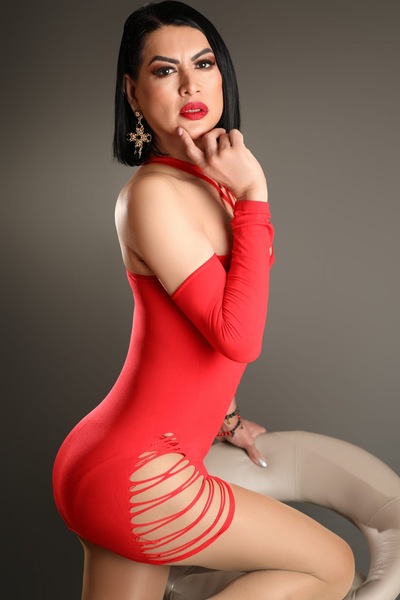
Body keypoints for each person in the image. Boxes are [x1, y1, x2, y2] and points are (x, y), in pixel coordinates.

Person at [52, 2, 355, 599]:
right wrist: (256, 193)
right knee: (332, 566)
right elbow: (236, 335)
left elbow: (198, 324)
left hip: (122, 463)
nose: (191, 84)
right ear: (133, 93)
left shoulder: (211, 181)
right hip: (139, 471)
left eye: (204, 63)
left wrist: (226, 417)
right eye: (165, 70)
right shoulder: (153, 193)